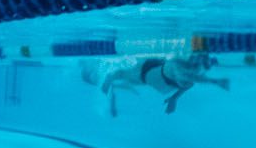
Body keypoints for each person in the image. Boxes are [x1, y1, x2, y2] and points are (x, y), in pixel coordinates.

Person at [95, 50, 230, 116]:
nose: (199, 68)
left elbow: (190, 82)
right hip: (149, 70)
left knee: (133, 81)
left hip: (156, 77)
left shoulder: (194, 72)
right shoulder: (178, 65)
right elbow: (189, 77)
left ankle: (112, 81)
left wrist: (174, 98)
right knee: (126, 76)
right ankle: (109, 76)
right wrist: (215, 81)